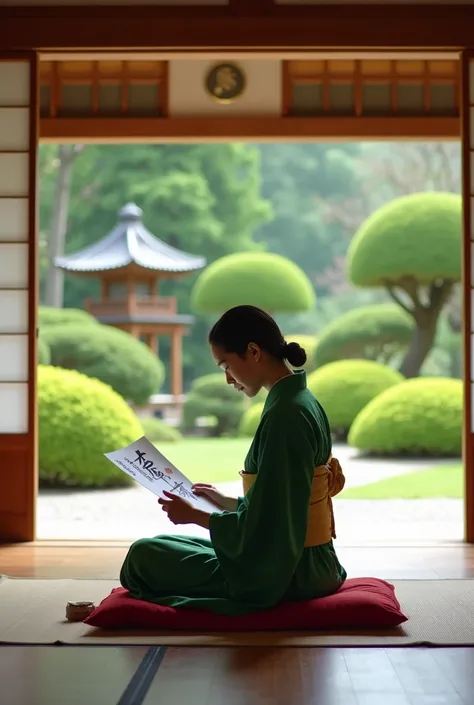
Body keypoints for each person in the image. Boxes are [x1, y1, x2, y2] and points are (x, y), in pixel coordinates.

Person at [120, 305, 347, 616]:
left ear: (253, 352)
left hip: (288, 572)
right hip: (310, 560)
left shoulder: (286, 415)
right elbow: (281, 504)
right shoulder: (299, 400)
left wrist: (197, 516)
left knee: (143, 556)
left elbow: (273, 526)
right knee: (166, 544)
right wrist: (226, 502)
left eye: (226, 365)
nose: (228, 379)